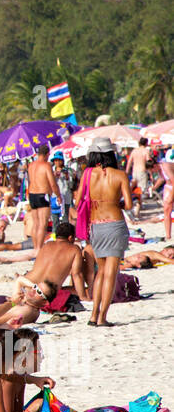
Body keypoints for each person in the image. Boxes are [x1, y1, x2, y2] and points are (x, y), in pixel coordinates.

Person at [76, 137, 132, 326]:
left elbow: (77, 202)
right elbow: (129, 204)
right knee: (111, 273)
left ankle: (93, 316)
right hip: (115, 224)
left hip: (95, 226)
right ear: (111, 154)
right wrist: (114, 203)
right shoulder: (120, 175)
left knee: (100, 273)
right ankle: (103, 318)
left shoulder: (87, 174)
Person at [27, 146, 61, 253]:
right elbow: (52, 184)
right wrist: (58, 195)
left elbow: (34, 180)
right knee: (42, 223)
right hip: (43, 194)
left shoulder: (31, 165)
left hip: (32, 194)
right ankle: (39, 249)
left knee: (36, 223)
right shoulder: (46, 165)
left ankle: (35, 247)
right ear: (47, 154)